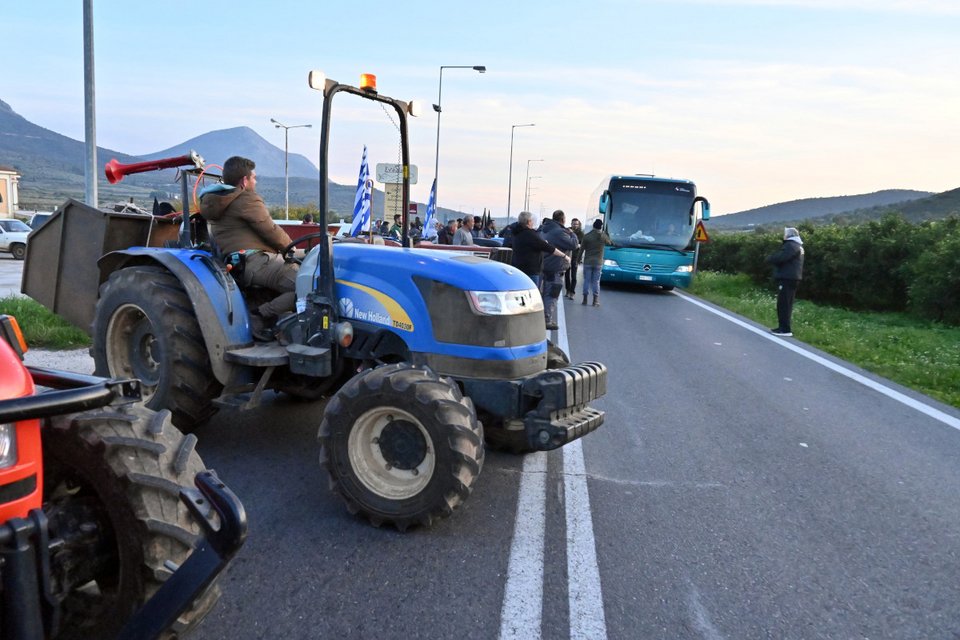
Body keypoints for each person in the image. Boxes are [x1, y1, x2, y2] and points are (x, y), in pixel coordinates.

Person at [199, 156, 295, 341]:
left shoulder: (216, 200)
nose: (255, 181)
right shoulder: (245, 199)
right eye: (254, 178)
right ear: (244, 181)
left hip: (237, 262)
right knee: (313, 284)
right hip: (255, 261)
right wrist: (291, 248)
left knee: (306, 262)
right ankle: (261, 315)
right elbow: (272, 231)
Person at [510, 212, 568, 295]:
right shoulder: (530, 234)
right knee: (532, 295)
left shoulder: (516, 233)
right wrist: (565, 256)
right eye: (532, 221)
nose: (533, 223)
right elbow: (548, 248)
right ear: (529, 221)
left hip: (518, 269)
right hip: (531, 271)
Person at [539, 210, 579, 330]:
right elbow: (573, 245)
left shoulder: (544, 229)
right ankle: (547, 320)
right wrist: (572, 233)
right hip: (555, 267)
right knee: (552, 295)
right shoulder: (559, 232)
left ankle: (541, 318)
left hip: (544, 265)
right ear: (562, 220)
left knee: (544, 294)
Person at [766, 227, 805, 337]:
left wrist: (770, 258)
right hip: (793, 277)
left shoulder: (791, 245)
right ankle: (783, 327)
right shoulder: (798, 246)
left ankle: (785, 329)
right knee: (786, 303)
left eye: (785, 233)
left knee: (783, 304)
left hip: (787, 278)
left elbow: (781, 257)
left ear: (789, 235)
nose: (784, 235)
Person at [580, 219, 611, 307]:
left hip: (588, 262)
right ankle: (595, 301)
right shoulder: (603, 236)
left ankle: (585, 300)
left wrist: (577, 260)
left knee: (586, 280)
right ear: (601, 227)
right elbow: (610, 243)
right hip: (598, 263)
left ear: (593, 226)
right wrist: (607, 234)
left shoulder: (587, 236)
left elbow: (581, 250)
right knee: (596, 281)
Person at [564, 218, 584, 300]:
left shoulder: (581, 234)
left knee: (574, 276)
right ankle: (567, 290)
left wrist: (580, 258)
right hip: (568, 256)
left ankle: (572, 292)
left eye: (576, 224)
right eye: (574, 224)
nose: (575, 225)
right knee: (566, 275)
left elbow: (582, 246)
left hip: (575, 257)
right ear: (571, 224)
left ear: (579, 225)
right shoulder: (567, 231)